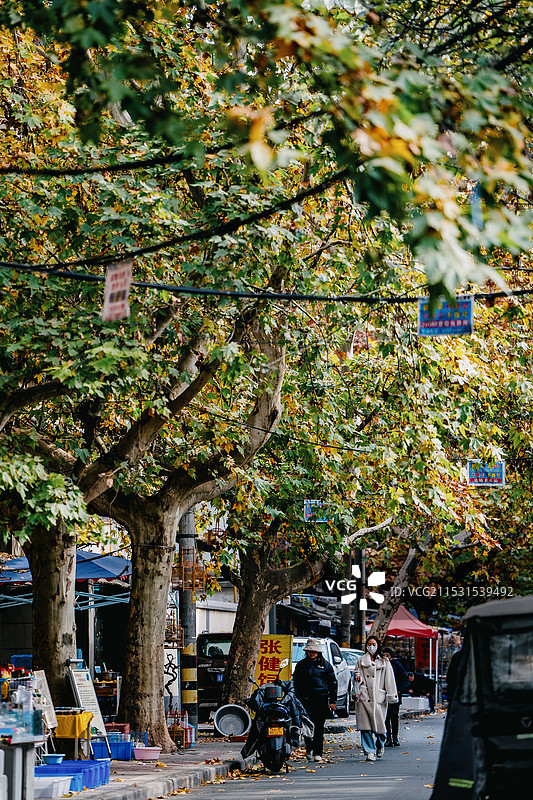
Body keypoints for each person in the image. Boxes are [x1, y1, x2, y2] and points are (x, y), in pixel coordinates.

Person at [293, 637, 337, 762]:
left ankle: (318, 752)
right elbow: (296, 683)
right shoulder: (301, 665)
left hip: (321, 700)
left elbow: (333, 684)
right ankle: (309, 748)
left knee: (319, 727)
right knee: (307, 726)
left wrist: (332, 701)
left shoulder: (326, 666)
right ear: (306, 651)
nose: (312, 653)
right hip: (305, 700)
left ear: (319, 652)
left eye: (314, 651)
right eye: (310, 651)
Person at [354, 636, 398, 762]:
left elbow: (389, 679)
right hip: (364, 697)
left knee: (380, 728)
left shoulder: (384, 661)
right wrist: (357, 679)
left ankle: (380, 744)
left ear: (378, 645)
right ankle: (369, 751)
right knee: (365, 727)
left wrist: (391, 695)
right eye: (369, 644)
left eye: (374, 644)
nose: (371, 646)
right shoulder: (361, 660)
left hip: (378, 698)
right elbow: (356, 675)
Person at [382, 647, 409, 746]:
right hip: (384, 695)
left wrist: (399, 690)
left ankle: (395, 738)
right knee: (385, 717)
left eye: (387, 655)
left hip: (395, 695)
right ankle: (388, 738)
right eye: (384, 655)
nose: (386, 657)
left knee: (394, 716)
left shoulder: (397, 666)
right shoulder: (381, 665)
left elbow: (404, 679)